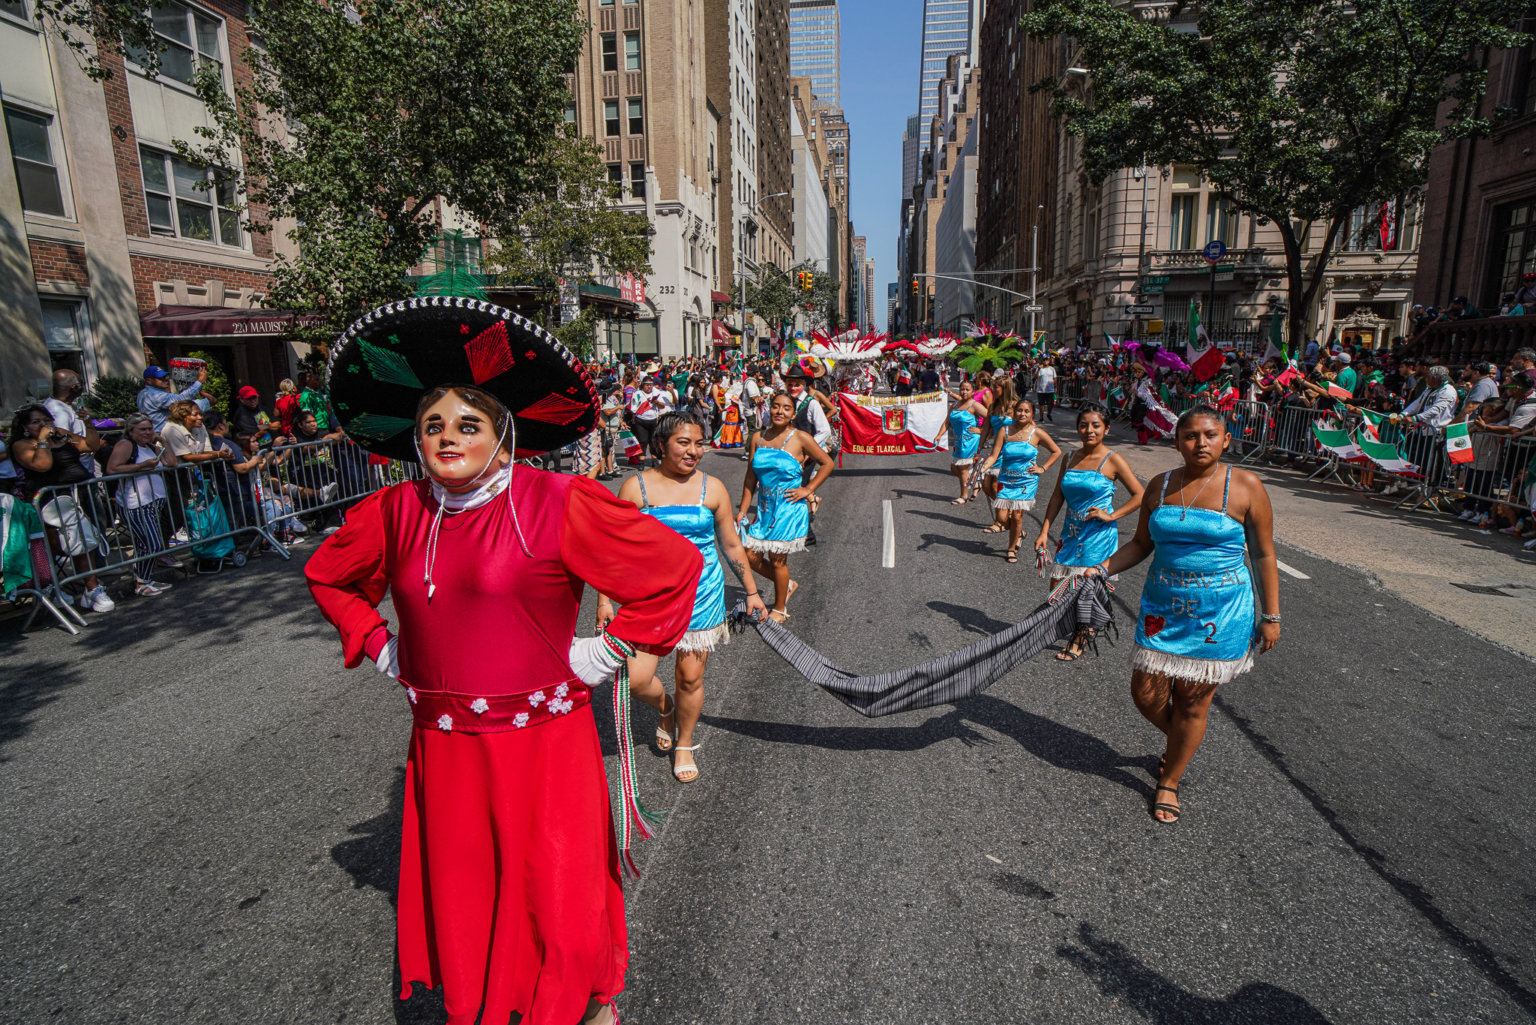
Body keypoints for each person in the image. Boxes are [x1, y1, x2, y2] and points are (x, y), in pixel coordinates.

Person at [306, 298, 703, 1025]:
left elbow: (673, 568)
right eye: (433, 425)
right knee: (472, 896)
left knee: (556, 890)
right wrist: (380, 643)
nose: (446, 437)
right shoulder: (396, 511)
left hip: (545, 747)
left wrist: (608, 651)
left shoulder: (556, 500)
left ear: (503, 434)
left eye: (467, 424)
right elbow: (328, 576)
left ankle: (587, 1001)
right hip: (446, 751)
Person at [1089, 407, 1281, 824]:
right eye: (1191, 436)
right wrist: (1101, 568)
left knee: (1193, 704)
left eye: (1210, 435)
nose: (1201, 443)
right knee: (1145, 694)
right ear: (1176, 442)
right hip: (1163, 610)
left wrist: (1272, 616)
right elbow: (1141, 544)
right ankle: (1182, 740)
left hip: (1221, 613)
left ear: (1226, 440)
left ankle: (1170, 780)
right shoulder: (1160, 485)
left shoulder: (1246, 486)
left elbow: (1264, 554)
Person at [599, 412, 767, 783]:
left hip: (701, 594)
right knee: (635, 679)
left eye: (699, 443)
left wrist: (753, 592)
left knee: (690, 677)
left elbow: (730, 544)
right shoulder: (636, 488)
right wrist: (605, 600)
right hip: (650, 598)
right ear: (661, 445)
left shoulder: (713, 488)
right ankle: (665, 708)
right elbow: (614, 549)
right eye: (684, 443)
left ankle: (685, 743)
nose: (694, 451)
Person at [1033, 407, 1145, 659]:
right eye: (1083, 425)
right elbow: (1057, 496)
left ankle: (1081, 637)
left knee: (1087, 589)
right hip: (1070, 534)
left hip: (1098, 537)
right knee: (1057, 588)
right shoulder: (1070, 457)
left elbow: (1140, 494)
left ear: (1106, 429)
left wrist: (1112, 515)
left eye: (1095, 425)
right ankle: (1075, 626)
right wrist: (1044, 531)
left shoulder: (1113, 460)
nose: (1089, 430)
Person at [738, 392, 834, 621]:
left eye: (786, 408)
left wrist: (807, 489)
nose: (780, 411)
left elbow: (827, 463)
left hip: (788, 508)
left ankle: (780, 608)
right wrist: (742, 510)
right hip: (764, 509)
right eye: (776, 406)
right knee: (749, 555)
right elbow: (750, 478)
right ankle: (786, 584)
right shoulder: (757, 438)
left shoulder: (801, 437)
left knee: (777, 559)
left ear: (793, 414)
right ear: (769, 409)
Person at [7, 404, 113, 612]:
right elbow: (42, 465)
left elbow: (90, 446)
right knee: (60, 544)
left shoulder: (62, 435)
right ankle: (57, 588)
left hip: (77, 495)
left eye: (46, 420)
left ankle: (91, 589)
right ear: (25, 427)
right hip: (47, 502)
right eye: (36, 422)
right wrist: (43, 440)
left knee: (83, 540)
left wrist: (88, 423)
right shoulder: (22, 444)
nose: (44, 425)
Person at [975, 398, 1060, 564]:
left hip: (1026, 482)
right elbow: (994, 456)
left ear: (1032, 414)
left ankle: (1011, 548)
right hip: (1006, 480)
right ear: (1014, 412)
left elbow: (1056, 451)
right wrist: (981, 469)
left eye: (1027, 411)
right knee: (1002, 517)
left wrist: (1042, 468)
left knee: (1017, 516)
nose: (1022, 414)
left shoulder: (1037, 433)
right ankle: (1018, 533)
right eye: (1019, 410)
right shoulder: (1005, 430)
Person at [105, 413, 172, 597]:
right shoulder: (126, 445)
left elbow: (172, 463)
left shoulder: (150, 446)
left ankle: (145, 578)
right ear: (131, 431)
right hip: (136, 504)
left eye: (150, 429)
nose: (148, 432)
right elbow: (112, 469)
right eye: (143, 429)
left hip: (154, 502)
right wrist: (141, 466)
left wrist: (163, 442)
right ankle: (141, 582)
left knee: (147, 544)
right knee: (152, 544)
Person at [944, 381, 986, 503]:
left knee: (963, 469)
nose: (964, 392)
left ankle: (963, 496)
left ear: (973, 391)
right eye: (962, 389)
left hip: (970, 441)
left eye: (967, 390)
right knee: (954, 468)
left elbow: (992, 419)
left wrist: (981, 430)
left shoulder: (975, 405)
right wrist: (939, 435)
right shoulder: (955, 405)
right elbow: (947, 422)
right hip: (958, 441)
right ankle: (976, 482)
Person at [137, 364, 208, 433]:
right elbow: (181, 400)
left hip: (155, 433)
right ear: (148, 380)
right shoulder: (154, 395)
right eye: (161, 378)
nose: (166, 379)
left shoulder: (144, 392)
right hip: (160, 434)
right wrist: (199, 382)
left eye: (166, 376)